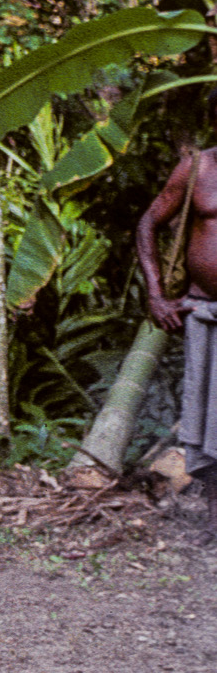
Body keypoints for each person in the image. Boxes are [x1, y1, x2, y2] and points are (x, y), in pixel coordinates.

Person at [138, 140, 217, 543]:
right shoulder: (197, 168)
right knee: (206, 423)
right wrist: (155, 294)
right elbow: (149, 222)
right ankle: (214, 523)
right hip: (204, 311)